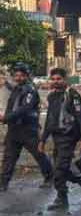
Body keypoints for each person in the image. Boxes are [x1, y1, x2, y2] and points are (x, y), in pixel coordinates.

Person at [39, 67, 81, 211]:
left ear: (65, 80)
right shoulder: (52, 96)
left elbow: (79, 117)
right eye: (54, 79)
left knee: (59, 169)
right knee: (62, 168)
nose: (56, 82)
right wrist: (43, 140)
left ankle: (61, 199)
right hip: (57, 137)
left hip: (69, 137)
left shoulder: (72, 95)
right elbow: (50, 120)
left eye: (59, 79)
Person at [0, 63, 53, 192]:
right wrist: (6, 119)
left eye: (21, 76)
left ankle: (50, 177)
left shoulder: (30, 90)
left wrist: (5, 118)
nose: (18, 78)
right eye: (16, 75)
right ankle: (3, 183)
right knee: (9, 157)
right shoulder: (17, 89)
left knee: (39, 155)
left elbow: (24, 109)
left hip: (28, 129)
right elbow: (10, 107)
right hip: (14, 129)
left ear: (26, 76)